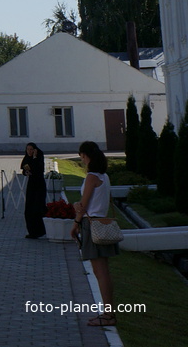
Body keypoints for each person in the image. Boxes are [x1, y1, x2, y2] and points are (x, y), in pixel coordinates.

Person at [71, 141, 119, 328]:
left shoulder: (91, 177)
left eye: (82, 157)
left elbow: (83, 205)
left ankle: (108, 314)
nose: (82, 161)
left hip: (92, 226)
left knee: (100, 272)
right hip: (102, 223)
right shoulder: (104, 176)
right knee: (103, 272)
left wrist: (75, 221)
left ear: (86, 156)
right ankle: (109, 313)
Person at [21, 142, 46, 239]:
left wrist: (35, 157)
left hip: (39, 185)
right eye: (28, 149)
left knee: (38, 208)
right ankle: (32, 231)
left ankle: (40, 231)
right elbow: (24, 169)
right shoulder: (27, 158)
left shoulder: (39, 157)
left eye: (31, 149)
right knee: (29, 209)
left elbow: (38, 169)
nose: (29, 151)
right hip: (31, 185)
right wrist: (25, 172)